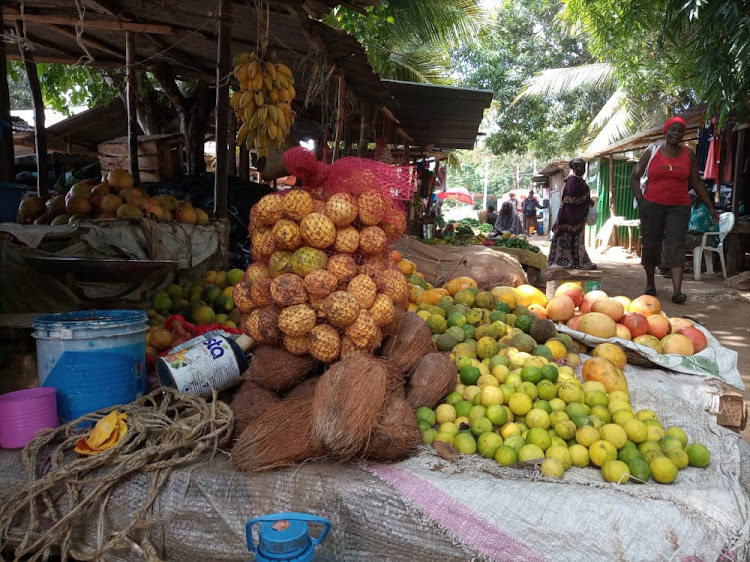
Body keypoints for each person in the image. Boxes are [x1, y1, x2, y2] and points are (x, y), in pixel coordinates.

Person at [630, 116, 718, 303]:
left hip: (679, 206)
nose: (676, 134)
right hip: (652, 205)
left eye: (680, 131)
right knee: (651, 243)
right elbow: (635, 177)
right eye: (673, 130)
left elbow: (696, 182)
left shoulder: (688, 154)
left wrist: (711, 206)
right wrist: (642, 202)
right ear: (666, 131)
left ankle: (677, 291)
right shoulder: (652, 150)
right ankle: (650, 284)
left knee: (676, 244)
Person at [548, 158, 597, 270]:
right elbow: (571, 199)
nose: (583, 169)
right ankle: (572, 262)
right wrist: (586, 201)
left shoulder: (578, 181)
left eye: (584, 167)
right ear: (574, 168)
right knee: (571, 238)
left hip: (575, 216)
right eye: (580, 167)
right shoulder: (572, 181)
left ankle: (574, 261)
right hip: (570, 216)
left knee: (577, 240)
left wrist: (587, 201)